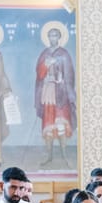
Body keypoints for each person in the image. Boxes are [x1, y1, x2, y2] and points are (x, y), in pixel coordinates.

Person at [34, 26, 76, 166]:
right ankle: (49, 155)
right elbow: (39, 74)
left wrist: (62, 81)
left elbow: (70, 74)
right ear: (48, 38)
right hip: (48, 92)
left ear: (59, 37)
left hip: (61, 93)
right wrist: (46, 65)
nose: (53, 38)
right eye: (50, 35)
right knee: (48, 124)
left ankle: (65, 155)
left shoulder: (64, 54)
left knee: (61, 123)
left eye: (55, 35)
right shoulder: (44, 53)